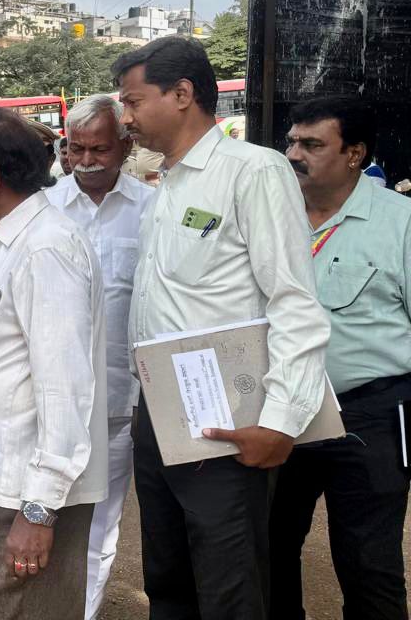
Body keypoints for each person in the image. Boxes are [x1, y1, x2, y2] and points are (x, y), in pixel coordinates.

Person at [117, 36, 330, 619]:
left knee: (229, 584)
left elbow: (294, 304)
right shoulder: (167, 186)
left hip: (225, 422)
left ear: (182, 94)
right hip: (159, 413)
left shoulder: (252, 172)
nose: (125, 117)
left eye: (134, 102)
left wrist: (279, 421)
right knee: (168, 578)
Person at [0, 104, 107, 619]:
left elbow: (65, 386)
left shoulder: (46, 250)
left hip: (22, 490)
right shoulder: (10, 237)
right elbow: (9, 346)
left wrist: (39, 509)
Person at [272, 95, 411, 620]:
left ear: (354, 154)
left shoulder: (400, 222)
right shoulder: (271, 218)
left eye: (311, 144)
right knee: (270, 546)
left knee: (368, 561)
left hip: (369, 415)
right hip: (281, 411)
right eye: (291, 141)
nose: (293, 154)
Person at [44, 95, 152, 620]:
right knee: (44, 517)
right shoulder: (42, 210)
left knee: (101, 525)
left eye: (99, 149)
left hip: (116, 399)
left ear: (127, 147)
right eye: (76, 149)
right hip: (50, 398)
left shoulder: (151, 211)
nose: (85, 160)